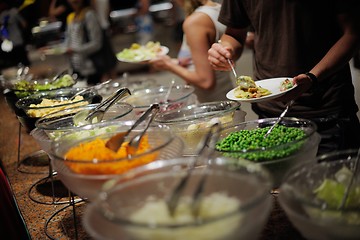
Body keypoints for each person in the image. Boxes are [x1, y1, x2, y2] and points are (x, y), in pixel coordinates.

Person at [207, 0, 360, 154]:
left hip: (326, 111)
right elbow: (234, 33)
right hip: (270, 114)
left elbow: (352, 33)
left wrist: (313, 77)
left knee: (336, 178)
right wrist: (226, 49)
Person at [149, 0, 234, 103]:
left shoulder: (195, 21)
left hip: (213, 108)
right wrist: (174, 62)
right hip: (227, 97)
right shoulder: (217, 8)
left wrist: (168, 65)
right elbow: (205, 61)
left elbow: (206, 82)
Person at [65, 0, 117, 85]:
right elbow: (69, 40)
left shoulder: (89, 15)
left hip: (90, 67)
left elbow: (96, 43)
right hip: (76, 66)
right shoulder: (71, 16)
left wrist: (75, 50)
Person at [0, 2, 30, 70]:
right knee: (25, 63)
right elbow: (24, 24)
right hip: (17, 39)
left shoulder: (1, 15)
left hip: (8, 42)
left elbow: (1, 29)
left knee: (15, 63)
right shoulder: (14, 11)